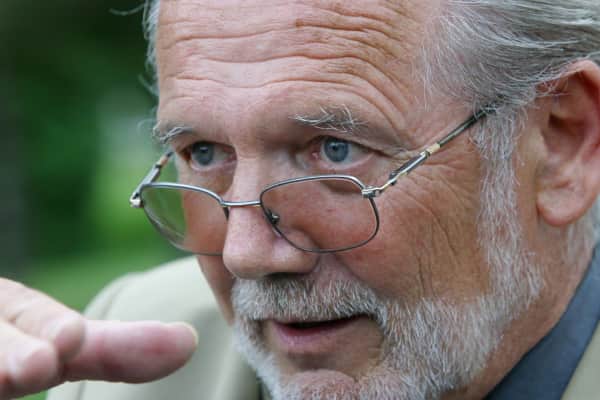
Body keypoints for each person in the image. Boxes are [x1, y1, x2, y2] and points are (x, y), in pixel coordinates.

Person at [3, 0, 600, 399]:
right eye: (204, 152)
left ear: (560, 144)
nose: (245, 254)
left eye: (335, 150)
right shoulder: (124, 359)